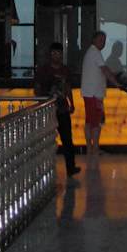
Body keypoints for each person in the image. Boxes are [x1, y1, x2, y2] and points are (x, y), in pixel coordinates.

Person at [35, 42, 81, 178]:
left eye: (58, 53)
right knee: (46, 139)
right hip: (48, 109)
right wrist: (40, 102)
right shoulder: (43, 70)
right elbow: (37, 88)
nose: (56, 56)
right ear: (50, 55)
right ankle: (44, 167)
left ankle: (71, 167)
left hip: (62, 108)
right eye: (54, 53)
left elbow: (68, 88)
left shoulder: (65, 70)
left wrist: (71, 103)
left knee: (67, 139)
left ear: (62, 54)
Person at [80, 30, 122, 157]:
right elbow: (104, 70)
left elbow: (102, 70)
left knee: (89, 122)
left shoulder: (92, 52)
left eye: (104, 41)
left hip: (90, 93)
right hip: (94, 94)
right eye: (100, 40)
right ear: (94, 40)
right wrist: (116, 83)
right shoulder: (95, 52)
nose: (102, 43)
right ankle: (95, 148)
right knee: (95, 123)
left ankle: (90, 148)